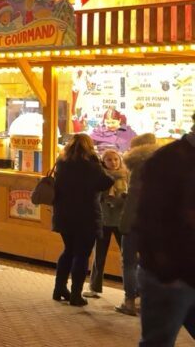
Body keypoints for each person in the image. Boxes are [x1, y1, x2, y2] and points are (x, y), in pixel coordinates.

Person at [136, 115, 195, 345]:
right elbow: (149, 220)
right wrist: (165, 271)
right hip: (172, 277)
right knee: (158, 341)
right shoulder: (168, 160)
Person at [51, 133, 114, 307]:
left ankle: (59, 289)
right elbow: (105, 182)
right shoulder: (91, 165)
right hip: (86, 216)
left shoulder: (62, 162)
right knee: (82, 254)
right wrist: (100, 163)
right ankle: (76, 295)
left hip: (63, 215)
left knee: (68, 250)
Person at [117, 133, 158, 316]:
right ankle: (148, 300)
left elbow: (134, 197)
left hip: (136, 220)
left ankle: (129, 301)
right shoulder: (164, 164)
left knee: (129, 262)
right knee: (148, 261)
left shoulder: (136, 165)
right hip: (155, 221)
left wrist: (125, 223)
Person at [84, 148, 128, 299]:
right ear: (103, 161)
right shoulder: (100, 176)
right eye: (109, 159)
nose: (113, 162)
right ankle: (94, 287)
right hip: (104, 219)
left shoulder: (125, 176)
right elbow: (96, 195)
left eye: (115, 159)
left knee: (127, 255)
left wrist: (123, 199)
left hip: (121, 220)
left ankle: (131, 290)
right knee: (100, 255)